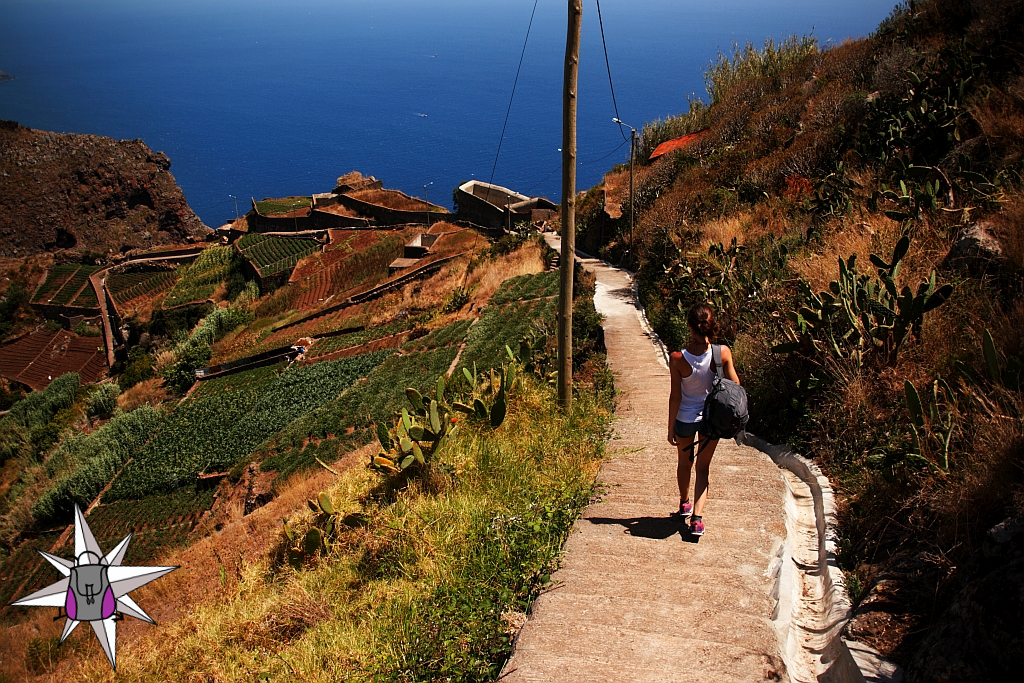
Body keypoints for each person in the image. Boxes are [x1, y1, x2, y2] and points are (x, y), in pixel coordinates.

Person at [667, 303, 740, 536]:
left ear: (689, 326)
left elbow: (675, 396)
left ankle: (684, 502)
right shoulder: (723, 353)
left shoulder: (678, 358)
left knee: (684, 463)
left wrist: (670, 428)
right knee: (704, 468)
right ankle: (697, 519)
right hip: (712, 420)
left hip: (685, 419)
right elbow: (735, 386)